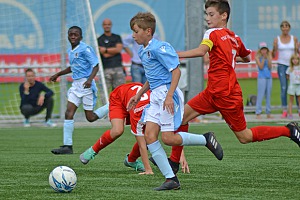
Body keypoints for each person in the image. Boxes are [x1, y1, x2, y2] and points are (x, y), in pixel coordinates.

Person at [174, 0, 299, 189]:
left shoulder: (212, 33)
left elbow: (201, 52)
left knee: (245, 137)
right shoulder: (234, 37)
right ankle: (174, 163)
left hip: (226, 95)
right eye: (206, 14)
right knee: (181, 118)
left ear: (223, 16)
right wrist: (230, 56)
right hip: (213, 92)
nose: (207, 18)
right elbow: (247, 57)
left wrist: (175, 54)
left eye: (211, 14)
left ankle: (288, 130)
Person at [127, 12, 223, 191]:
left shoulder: (160, 48)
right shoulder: (143, 50)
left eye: (136, 31)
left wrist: (170, 95)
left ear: (148, 31)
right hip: (156, 95)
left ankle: (205, 139)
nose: (133, 35)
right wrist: (139, 94)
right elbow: (153, 76)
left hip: (167, 93)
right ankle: (171, 179)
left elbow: (176, 72)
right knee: (149, 136)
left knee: (168, 138)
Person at [80, 82, 190, 174]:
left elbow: (174, 132)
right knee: (117, 131)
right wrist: (148, 169)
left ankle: (130, 160)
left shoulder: (161, 108)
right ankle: (92, 151)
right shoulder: (138, 115)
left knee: (151, 134)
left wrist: (179, 155)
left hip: (135, 96)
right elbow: (142, 144)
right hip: (119, 98)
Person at [50, 26, 108, 155]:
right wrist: (58, 74)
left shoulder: (85, 49)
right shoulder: (71, 51)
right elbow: (73, 67)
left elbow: (96, 65)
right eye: (70, 34)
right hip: (76, 86)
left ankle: (111, 105)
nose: (73, 36)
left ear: (80, 37)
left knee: (90, 118)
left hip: (86, 85)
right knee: (68, 113)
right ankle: (67, 146)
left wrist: (89, 80)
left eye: (75, 34)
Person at [272, 20, 299, 118]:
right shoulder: (277, 39)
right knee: (284, 87)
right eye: (283, 27)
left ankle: (298, 108)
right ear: (281, 28)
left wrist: (297, 48)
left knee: (296, 87)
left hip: (292, 66)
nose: (285, 28)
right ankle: (284, 109)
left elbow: (297, 53)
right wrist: (274, 47)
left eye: (286, 26)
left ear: (289, 28)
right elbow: (274, 55)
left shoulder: (294, 39)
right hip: (282, 65)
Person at [98, 18, 126, 93]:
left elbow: (119, 49)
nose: (107, 26)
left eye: (108, 24)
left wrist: (106, 50)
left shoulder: (117, 37)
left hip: (118, 68)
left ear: (111, 25)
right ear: (102, 26)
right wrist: (114, 50)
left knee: (120, 92)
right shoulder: (99, 39)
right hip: (106, 69)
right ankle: (107, 105)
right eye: (105, 24)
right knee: (104, 92)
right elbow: (104, 55)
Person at [254, 42, 273, 119]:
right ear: (260, 50)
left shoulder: (269, 56)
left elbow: (269, 67)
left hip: (269, 77)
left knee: (268, 95)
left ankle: (268, 112)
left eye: (265, 49)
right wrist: (263, 59)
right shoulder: (257, 57)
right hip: (261, 77)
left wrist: (268, 59)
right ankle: (258, 112)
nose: (264, 51)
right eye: (262, 49)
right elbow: (261, 67)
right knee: (260, 95)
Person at [286, 54, 300, 119]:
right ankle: (290, 113)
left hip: (299, 85)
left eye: (297, 59)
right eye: (293, 59)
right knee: (291, 99)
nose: (295, 61)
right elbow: (287, 76)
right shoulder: (290, 68)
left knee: (299, 99)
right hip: (292, 85)